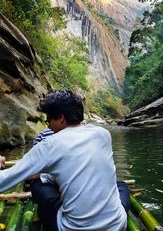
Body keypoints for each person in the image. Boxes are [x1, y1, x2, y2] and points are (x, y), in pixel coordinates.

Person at [0, 90, 129, 231]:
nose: (48, 126)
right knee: (121, 185)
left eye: (48, 120)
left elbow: (5, 179)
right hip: (117, 226)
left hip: (72, 228)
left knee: (36, 185)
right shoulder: (103, 134)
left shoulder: (49, 144)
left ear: (61, 117)